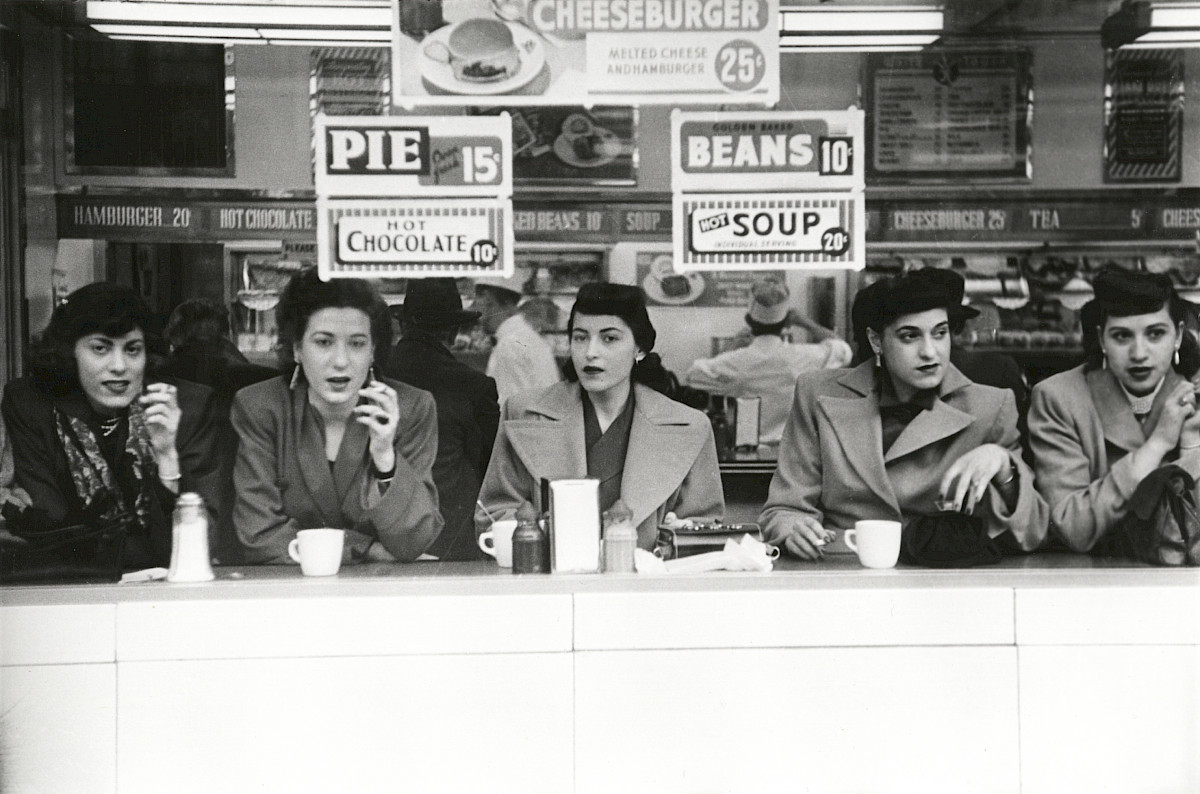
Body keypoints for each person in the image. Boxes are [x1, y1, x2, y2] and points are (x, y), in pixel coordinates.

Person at [760, 269, 1047, 560]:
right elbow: (784, 509)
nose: (930, 352)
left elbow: (1032, 531)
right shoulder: (817, 394)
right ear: (876, 341)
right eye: (910, 336)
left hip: (942, 578)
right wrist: (795, 528)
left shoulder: (992, 406)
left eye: (940, 333)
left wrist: (1003, 467)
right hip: (843, 569)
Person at [477, 282, 723, 549]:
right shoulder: (524, 414)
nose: (590, 352)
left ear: (639, 349)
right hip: (552, 582)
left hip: (650, 585)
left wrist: (679, 535)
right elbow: (494, 514)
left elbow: (705, 526)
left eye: (609, 338)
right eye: (581, 337)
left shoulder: (690, 426)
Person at [1, 283, 222, 570]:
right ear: (70, 353)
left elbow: (201, 543)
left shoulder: (188, 407)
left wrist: (167, 458)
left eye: (133, 349)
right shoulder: (32, 405)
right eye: (100, 348)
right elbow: (51, 532)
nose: (119, 366)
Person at [231, 269, 442, 564]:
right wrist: (366, 549)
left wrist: (385, 460)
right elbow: (259, 536)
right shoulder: (261, 407)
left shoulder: (411, 408)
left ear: (373, 352)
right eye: (323, 342)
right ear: (296, 349)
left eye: (356, 343)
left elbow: (413, 542)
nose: (341, 361)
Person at [1029, 267, 1200, 554]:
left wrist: (1192, 448)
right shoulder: (1059, 398)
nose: (1139, 353)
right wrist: (1158, 444)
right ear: (1102, 340)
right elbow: (1072, 526)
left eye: (1155, 334)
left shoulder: (1195, 399)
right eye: (1122, 336)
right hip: (1093, 580)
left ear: (1179, 337)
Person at [385, 278, 500, 561]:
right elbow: (491, 468)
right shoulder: (474, 386)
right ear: (453, 330)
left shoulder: (372, 373)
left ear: (403, 324)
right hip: (451, 540)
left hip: (380, 533)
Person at [159, 298, 279, 563]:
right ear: (226, 333)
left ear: (174, 336)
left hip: (187, 511)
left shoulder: (158, 385)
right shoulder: (262, 379)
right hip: (253, 509)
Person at [685, 278, 852, 446]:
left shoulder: (738, 361)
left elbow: (693, 375)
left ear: (749, 321)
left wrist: (733, 346)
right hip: (794, 450)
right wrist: (805, 322)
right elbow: (844, 351)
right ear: (787, 322)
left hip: (748, 451)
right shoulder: (801, 357)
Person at [473, 282, 560, 404]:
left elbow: (509, 411)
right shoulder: (529, 338)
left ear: (487, 299)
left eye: (476, 301)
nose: (475, 311)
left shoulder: (509, 345)